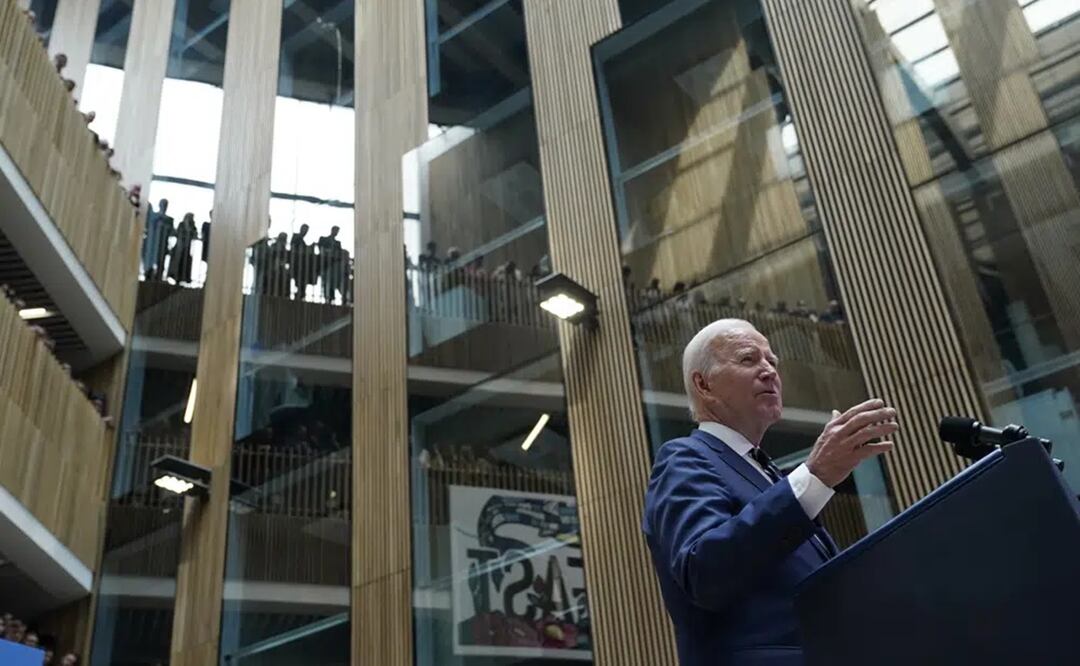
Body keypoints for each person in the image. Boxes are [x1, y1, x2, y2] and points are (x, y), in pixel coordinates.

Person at [642, 319, 897, 666]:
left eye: (772, 362)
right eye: (749, 359)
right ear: (703, 384)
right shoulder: (685, 457)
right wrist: (815, 476)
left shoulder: (768, 474)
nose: (769, 371)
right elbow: (704, 570)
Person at [167, 213, 197, 285]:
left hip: (187, 249)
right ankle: (176, 277)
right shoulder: (181, 224)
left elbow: (194, 235)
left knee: (186, 262)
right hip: (179, 247)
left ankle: (184, 278)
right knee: (177, 262)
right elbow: (178, 233)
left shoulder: (193, 226)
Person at [289, 224, 314, 300]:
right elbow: (296, 247)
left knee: (301, 282)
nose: (305, 232)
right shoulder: (296, 237)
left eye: (306, 231)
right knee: (300, 281)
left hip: (301, 266)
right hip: (297, 264)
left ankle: (300, 295)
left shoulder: (301, 239)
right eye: (304, 230)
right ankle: (299, 295)